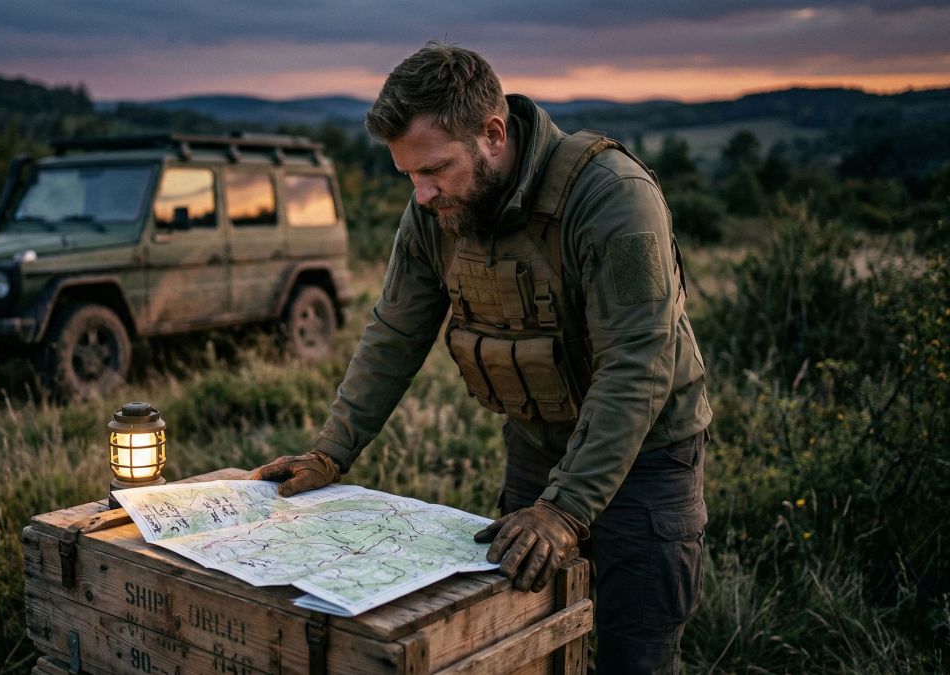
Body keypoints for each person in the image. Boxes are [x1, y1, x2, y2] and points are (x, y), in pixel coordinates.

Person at [252, 41, 711, 674]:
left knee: (636, 655)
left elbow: (638, 363)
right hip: (535, 447)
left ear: (493, 134)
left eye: (434, 170)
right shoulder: (438, 209)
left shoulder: (611, 198)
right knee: (522, 642)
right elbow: (394, 331)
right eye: (408, 174)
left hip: (648, 460)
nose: (421, 194)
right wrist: (332, 451)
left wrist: (565, 510)